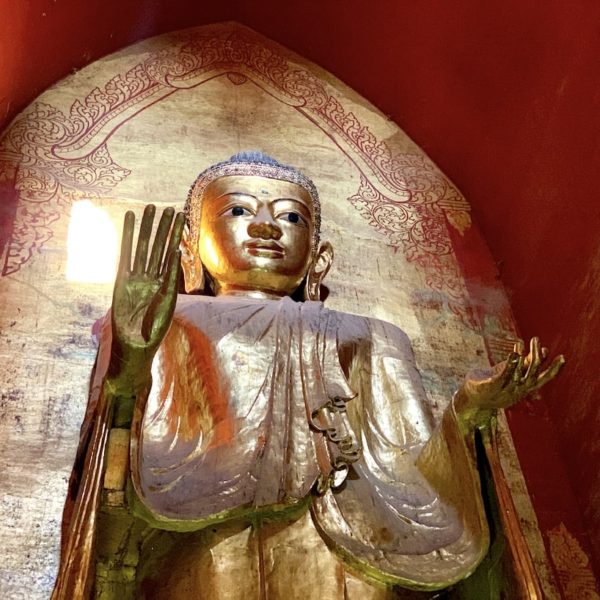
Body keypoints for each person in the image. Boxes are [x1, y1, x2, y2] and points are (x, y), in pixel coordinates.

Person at [52, 152, 564, 600]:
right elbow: (117, 475)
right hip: (206, 540)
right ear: (191, 248)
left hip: (354, 543)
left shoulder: (374, 336)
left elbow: (415, 475)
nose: (265, 227)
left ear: (319, 256)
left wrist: (468, 410)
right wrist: (131, 361)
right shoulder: (167, 321)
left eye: (290, 216)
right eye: (237, 210)